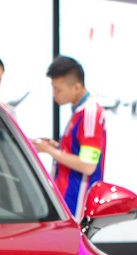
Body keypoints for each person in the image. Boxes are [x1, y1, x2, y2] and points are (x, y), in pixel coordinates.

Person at [31, 56, 105, 220]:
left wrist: (50, 150)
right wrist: (56, 147)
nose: (54, 95)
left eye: (58, 89)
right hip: (68, 200)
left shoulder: (90, 113)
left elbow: (88, 165)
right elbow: (78, 152)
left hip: (77, 203)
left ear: (76, 87)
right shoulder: (80, 112)